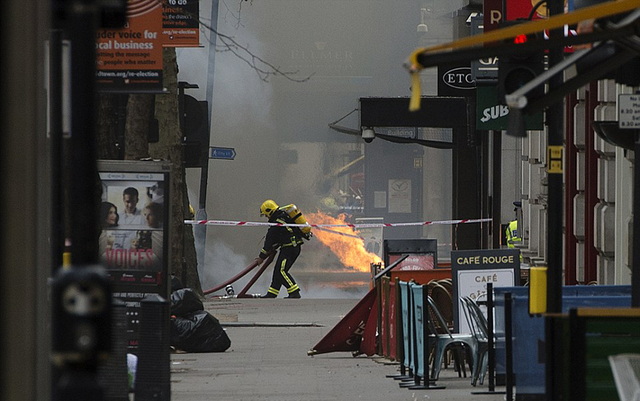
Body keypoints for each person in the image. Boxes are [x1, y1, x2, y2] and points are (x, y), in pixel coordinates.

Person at [254, 199, 304, 299]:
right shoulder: (283, 217)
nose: (266, 217)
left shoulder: (276, 224)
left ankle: (294, 292)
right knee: (278, 271)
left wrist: (261, 258)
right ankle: (272, 293)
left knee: (281, 271)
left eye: (266, 214)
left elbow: (268, 243)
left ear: (270, 211)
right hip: (291, 247)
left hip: (290, 249)